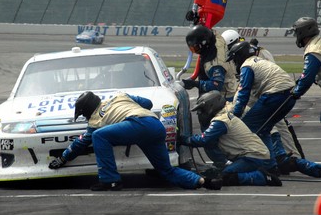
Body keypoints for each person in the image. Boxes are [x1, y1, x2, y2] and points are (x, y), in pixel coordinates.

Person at [48, 91, 222, 191]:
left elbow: (80, 144)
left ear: (87, 110)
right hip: (154, 125)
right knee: (166, 170)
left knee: (98, 136)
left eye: (83, 114)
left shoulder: (95, 121)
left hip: (138, 124)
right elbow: (147, 102)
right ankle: (203, 182)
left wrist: (63, 158)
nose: (85, 117)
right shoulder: (119, 96)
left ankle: (110, 180)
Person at [181, 91, 282, 186]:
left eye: (201, 110)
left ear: (210, 107)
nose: (200, 114)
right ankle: (254, 171)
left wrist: (182, 139)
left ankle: (262, 177)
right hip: (251, 155)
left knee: (225, 176)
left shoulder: (220, 121)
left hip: (253, 156)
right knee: (217, 173)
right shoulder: (223, 117)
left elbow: (203, 140)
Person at [225, 41, 297, 165]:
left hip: (275, 95)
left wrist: (235, 116)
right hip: (289, 95)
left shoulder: (246, 66)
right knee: (265, 128)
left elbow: (243, 93)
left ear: (240, 56)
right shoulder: (259, 61)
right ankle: (275, 160)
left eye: (234, 59)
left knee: (247, 127)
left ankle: (255, 161)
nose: (234, 62)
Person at [183, 24, 238, 102]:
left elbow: (217, 85)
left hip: (226, 95)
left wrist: (195, 84)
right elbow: (207, 29)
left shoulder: (216, 64)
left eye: (196, 48)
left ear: (204, 43)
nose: (195, 51)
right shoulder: (214, 36)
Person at [291, 17, 321, 100]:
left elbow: (307, 77)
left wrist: (296, 92)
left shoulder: (313, 49)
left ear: (302, 32)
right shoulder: (318, 41)